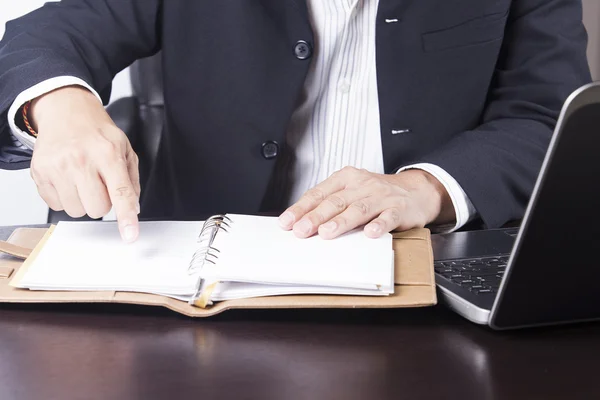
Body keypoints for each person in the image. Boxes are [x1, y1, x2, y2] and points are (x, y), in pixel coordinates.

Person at [0, 0, 591, 243]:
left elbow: (547, 115)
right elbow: (47, 34)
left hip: (420, 272)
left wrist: (426, 188)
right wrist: (61, 106)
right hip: (197, 285)